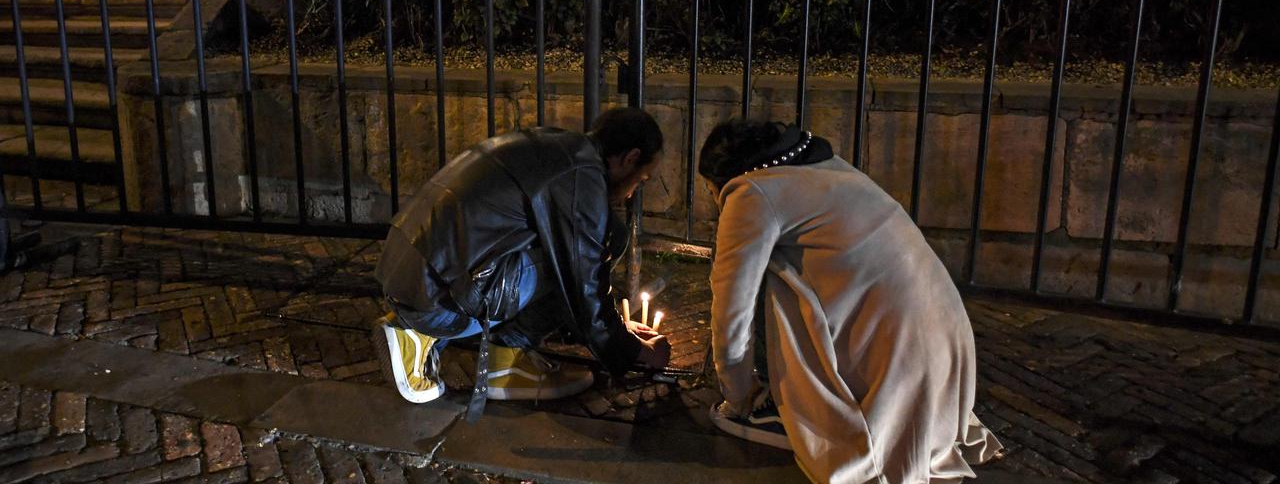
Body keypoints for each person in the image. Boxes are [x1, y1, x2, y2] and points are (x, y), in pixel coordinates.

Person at [697, 120, 1002, 484]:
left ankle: (778, 405)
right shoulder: (828, 166)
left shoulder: (751, 192)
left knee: (769, 283)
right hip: (948, 353)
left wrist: (737, 394)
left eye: (709, 190)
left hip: (896, 364)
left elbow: (733, 306)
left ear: (721, 179)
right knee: (789, 266)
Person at [373, 107, 671, 413]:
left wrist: (615, 327)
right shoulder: (582, 178)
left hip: (409, 272)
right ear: (630, 158)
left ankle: (498, 358)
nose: (633, 192)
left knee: (603, 236)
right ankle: (434, 337)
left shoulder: (558, 146)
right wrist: (632, 351)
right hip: (437, 299)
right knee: (579, 256)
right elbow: (584, 281)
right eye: (642, 180)